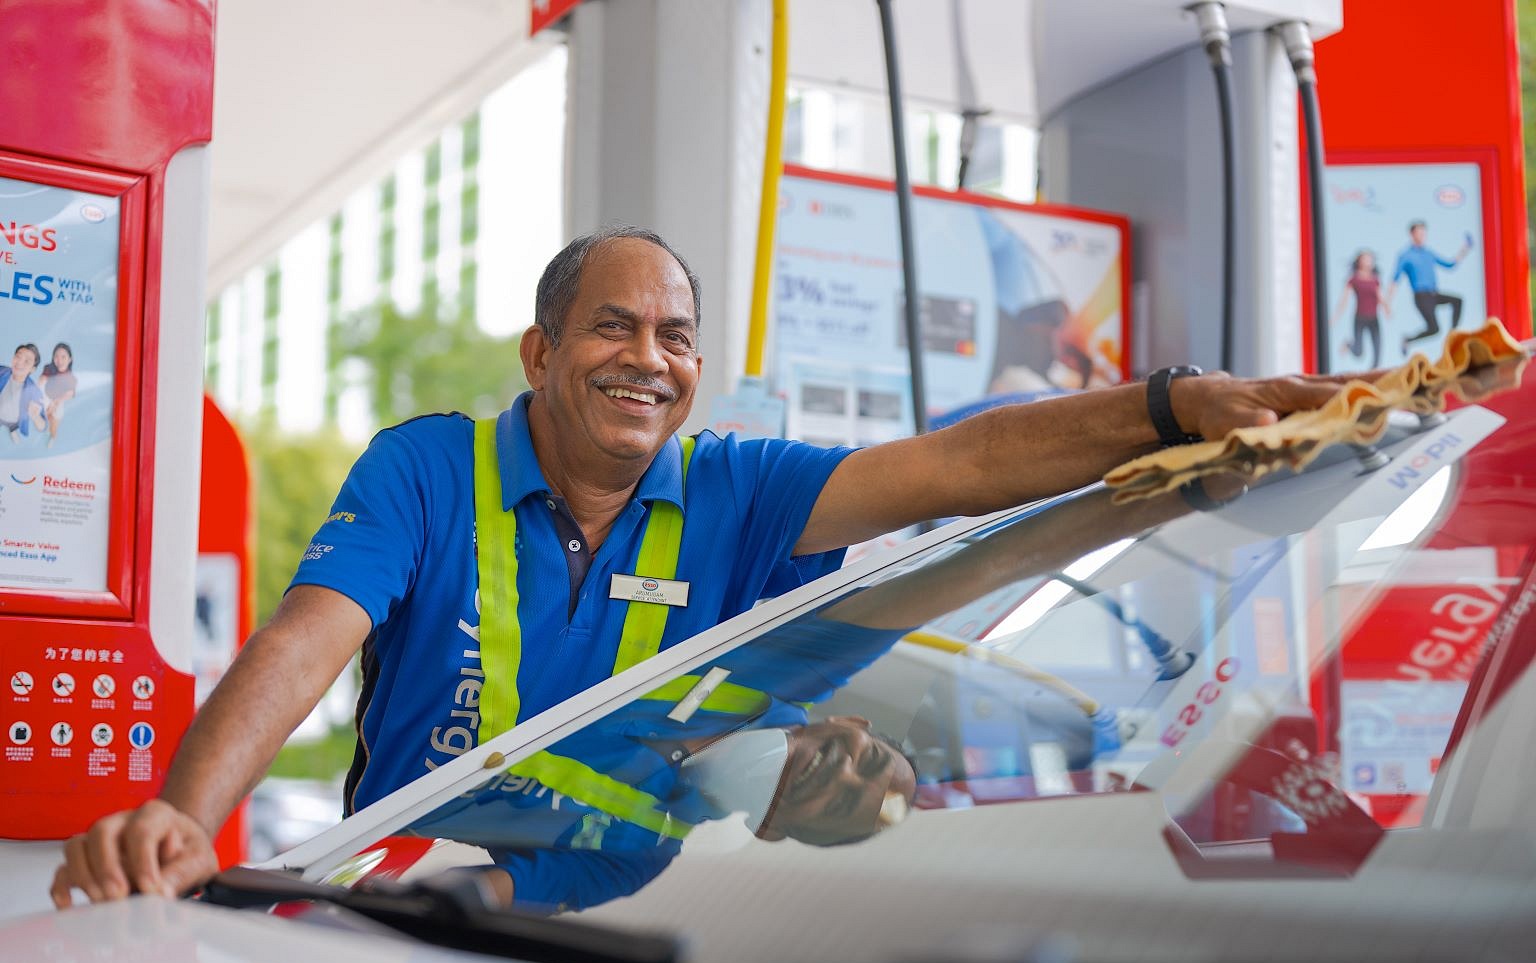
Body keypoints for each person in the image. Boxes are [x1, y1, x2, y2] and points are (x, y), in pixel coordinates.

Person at [51, 224, 1358, 908]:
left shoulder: (743, 488)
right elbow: (302, 638)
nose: (650, 357)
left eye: (676, 334)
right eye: (611, 326)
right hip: (412, 919)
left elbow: (964, 469)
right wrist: (184, 810)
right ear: (539, 352)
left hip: (644, 937)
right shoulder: (423, 470)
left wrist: (1175, 407)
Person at [1387, 221, 1472, 351]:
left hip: (1434, 294)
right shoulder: (1406, 255)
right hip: (1421, 297)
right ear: (1412, 234)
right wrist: (1388, 303)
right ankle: (1408, 340)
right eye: (1419, 233)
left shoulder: (1428, 253)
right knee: (1434, 329)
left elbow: (1450, 264)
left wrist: (1465, 249)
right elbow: (1395, 279)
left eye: (1424, 233)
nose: (1422, 236)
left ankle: (1454, 335)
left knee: (1458, 301)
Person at [1331, 250, 1391, 368]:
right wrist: (1336, 317)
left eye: (1370, 259)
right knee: (1358, 352)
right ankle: (1348, 345)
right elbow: (1344, 300)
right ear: (1359, 261)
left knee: (1378, 352)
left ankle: (1373, 379)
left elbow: (1380, 297)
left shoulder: (1375, 279)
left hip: (1374, 319)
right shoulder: (1354, 279)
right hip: (1360, 318)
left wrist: (1387, 308)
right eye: (1365, 259)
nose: (1368, 261)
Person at [0, 343, 48, 442]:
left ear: (32, 369)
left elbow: (43, 426)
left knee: (12, 427)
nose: (19, 362)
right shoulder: (2, 371)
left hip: (14, 420)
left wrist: (36, 417)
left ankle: (12, 431)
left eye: (27, 361)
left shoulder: (33, 392)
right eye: (18, 356)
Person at [39, 343, 76, 447]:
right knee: (46, 415)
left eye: (63, 357)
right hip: (46, 396)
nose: (59, 360)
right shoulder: (49, 368)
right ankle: (47, 427)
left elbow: (70, 394)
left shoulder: (70, 378)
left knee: (55, 421)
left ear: (70, 359)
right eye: (56, 356)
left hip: (58, 400)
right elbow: (42, 380)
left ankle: (53, 436)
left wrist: (55, 403)